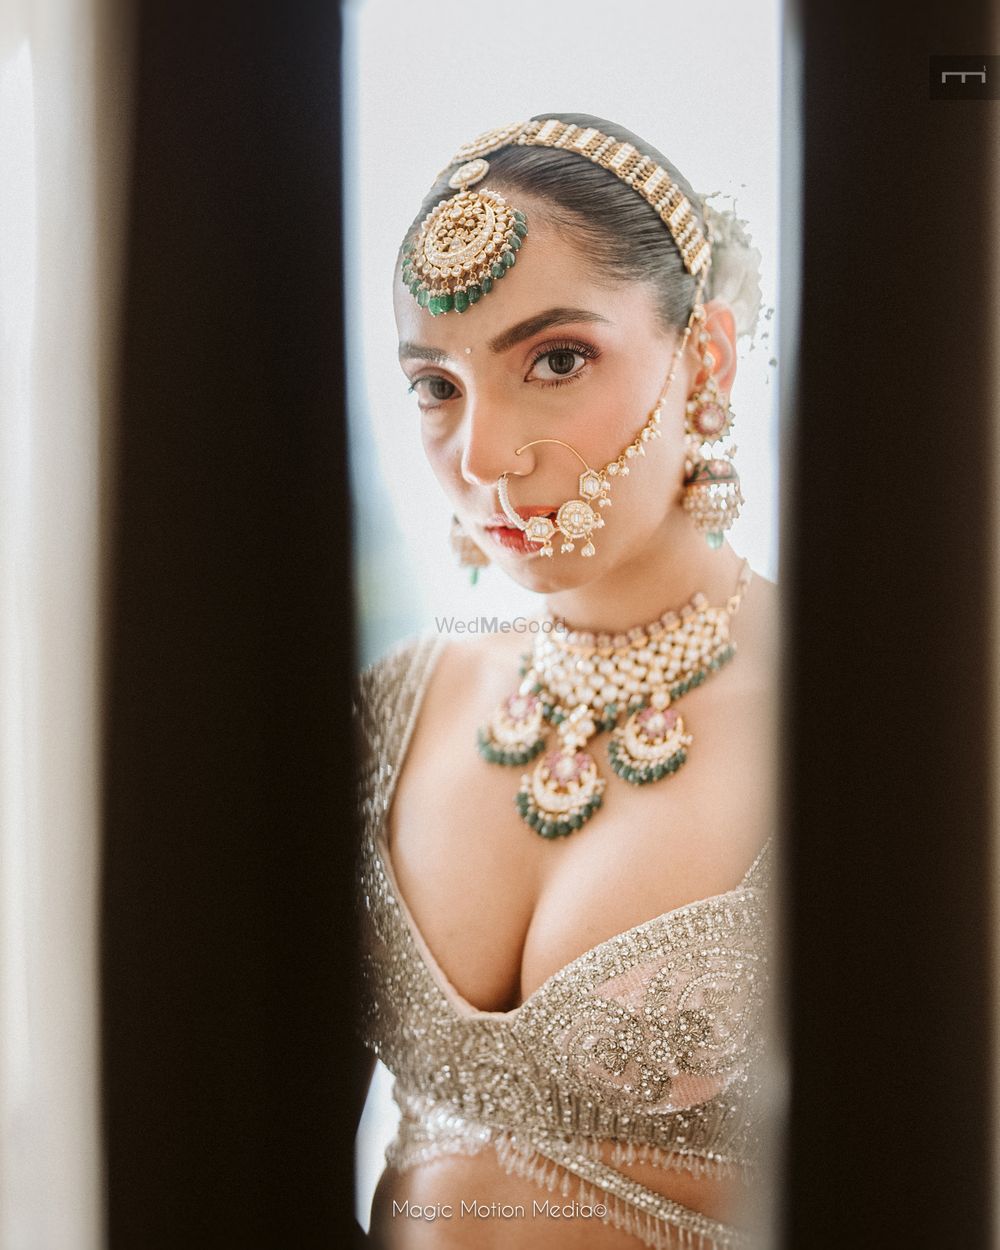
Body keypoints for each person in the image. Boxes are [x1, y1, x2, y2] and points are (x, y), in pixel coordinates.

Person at [354, 113, 777, 1250]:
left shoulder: (864, 716)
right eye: (435, 385)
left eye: (555, 358)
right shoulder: (391, 709)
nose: (484, 457)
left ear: (706, 359)